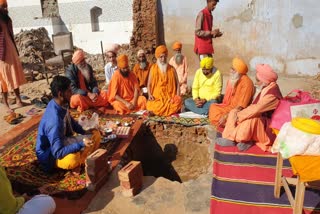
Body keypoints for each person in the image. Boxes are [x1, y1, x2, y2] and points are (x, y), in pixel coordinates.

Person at [36, 76, 101, 173]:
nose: (72, 94)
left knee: (95, 134)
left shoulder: (60, 104)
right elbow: (57, 152)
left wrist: (85, 131)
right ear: (60, 94)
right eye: (69, 91)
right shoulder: (54, 121)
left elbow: (72, 122)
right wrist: (81, 144)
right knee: (72, 159)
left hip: (64, 140)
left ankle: (81, 159)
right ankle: (80, 161)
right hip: (50, 154)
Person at [216, 64, 282, 152]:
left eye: (258, 80)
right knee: (233, 111)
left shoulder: (272, 95)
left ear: (264, 81)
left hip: (269, 129)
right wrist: (238, 112)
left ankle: (238, 138)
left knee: (251, 118)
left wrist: (239, 116)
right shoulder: (266, 87)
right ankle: (231, 139)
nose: (255, 83)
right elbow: (252, 106)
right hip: (259, 121)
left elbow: (256, 109)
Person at [209, 57, 255, 126]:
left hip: (237, 111)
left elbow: (241, 107)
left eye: (233, 69)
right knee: (213, 107)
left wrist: (226, 116)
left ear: (238, 72)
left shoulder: (247, 83)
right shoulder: (235, 80)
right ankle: (226, 122)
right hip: (230, 107)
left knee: (217, 115)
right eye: (231, 68)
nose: (230, 70)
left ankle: (229, 123)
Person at [0, 0, 26, 113]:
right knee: (3, 79)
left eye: (6, 6)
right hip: (1, 53)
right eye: (3, 7)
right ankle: (6, 104)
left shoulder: (7, 19)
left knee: (14, 74)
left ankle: (19, 100)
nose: (6, 9)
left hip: (11, 48)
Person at [146, 45, 182, 116]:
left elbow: (177, 84)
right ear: (157, 57)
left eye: (165, 56)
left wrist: (177, 96)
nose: (163, 59)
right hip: (157, 98)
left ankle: (156, 112)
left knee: (178, 102)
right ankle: (168, 112)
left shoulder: (172, 69)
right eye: (161, 57)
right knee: (150, 104)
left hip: (170, 97)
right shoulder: (153, 68)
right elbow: (149, 84)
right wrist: (150, 95)